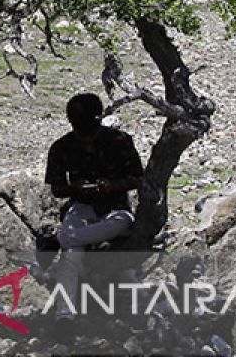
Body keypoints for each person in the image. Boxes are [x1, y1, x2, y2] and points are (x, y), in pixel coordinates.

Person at [44, 92, 144, 319]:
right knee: (71, 254)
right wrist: (76, 188)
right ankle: (65, 315)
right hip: (82, 206)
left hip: (115, 207)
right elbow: (57, 189)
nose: (86, 140)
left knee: (117, 224)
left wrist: (112, 185)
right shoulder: (62, 147)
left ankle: (58, 240)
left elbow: (137, 179)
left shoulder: (120, 142)